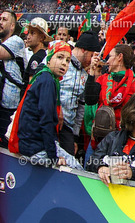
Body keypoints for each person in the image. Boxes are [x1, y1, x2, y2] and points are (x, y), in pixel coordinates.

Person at [15, 41, 83, 170]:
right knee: (77, 169)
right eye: (60, 57)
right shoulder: (47, 80)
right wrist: (54, 157)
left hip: (32, 144)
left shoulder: (47, 78)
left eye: (68, 60)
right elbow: (46, 120)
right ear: (49, 60)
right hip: (35, 148)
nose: (64, 63)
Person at [58, 30, 102, 155]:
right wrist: (57, 107)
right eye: (92, 55)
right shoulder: (60, 59)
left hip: (67, 131)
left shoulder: (84, 75)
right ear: (83, 50)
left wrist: (75, 137)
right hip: (49, 123)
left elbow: (81, 109)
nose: (93, 60)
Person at [0, 10, 26, 145]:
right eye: (0, 19)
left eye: (4, 20)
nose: (0, 22)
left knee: (5, 148)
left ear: (12, 26)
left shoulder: (17, 41)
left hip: (9, 109)